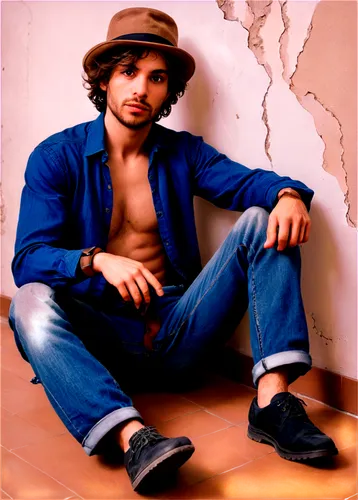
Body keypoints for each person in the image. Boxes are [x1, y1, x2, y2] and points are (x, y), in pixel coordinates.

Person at [9, 7, 337, 494]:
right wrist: (96, 258)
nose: (141, 88)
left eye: (156, 78)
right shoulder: (56, 158)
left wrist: (288, 195)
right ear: (104, 80)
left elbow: (247, 183)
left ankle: (271, 402)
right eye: (128, 72)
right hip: (104, 346)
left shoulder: (183, 152)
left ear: (169, 91)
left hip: (180, 334)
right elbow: (28, 259)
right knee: (29, 300)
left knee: (263, 217)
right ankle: (132, 436)